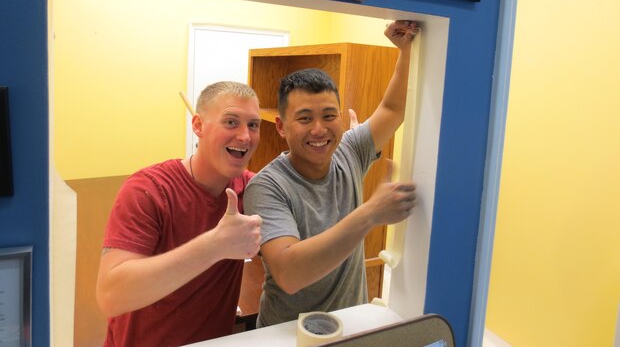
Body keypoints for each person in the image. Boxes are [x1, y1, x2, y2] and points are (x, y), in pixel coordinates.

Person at [244, 20, 419, 327]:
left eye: (328, 116)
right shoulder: (267, 186)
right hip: (287, 335)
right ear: (281, 127)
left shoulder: (349, 151)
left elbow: (392, 108)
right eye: (304, 118)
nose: (319, 129)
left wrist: (405, 50)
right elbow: (289, 273)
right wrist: (370, 213)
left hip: (349, 327)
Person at [96, 81, 263, 347]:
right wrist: (215, 245)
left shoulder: (254, 190)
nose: (245, 136)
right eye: (231, 122)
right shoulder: (149, 190)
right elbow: (111, 296)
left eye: (253, 125)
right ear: (198, 126)